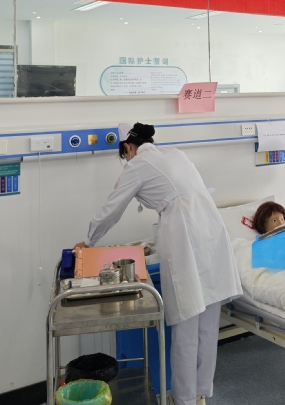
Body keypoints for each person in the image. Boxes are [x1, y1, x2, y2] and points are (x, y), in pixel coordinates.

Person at [76, 122, 242, 405]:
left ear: (128, 147)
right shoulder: (175, 154)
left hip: (184, 236)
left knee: (186, 324)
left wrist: (89, 241)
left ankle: (184, 399)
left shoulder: (137, 164)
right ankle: (201, 393)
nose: (126, 159)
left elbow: (112, 209)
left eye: (124, 155)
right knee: (207, 324)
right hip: (211, 230)